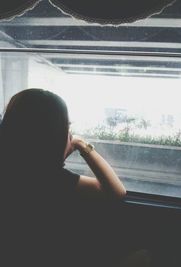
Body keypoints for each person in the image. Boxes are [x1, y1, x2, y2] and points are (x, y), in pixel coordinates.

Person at [0, 88, 126, 266]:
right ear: (55, 135)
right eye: (67, 127)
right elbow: (117, 192)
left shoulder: (11, 170)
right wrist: (83, 146)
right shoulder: (54, 180)